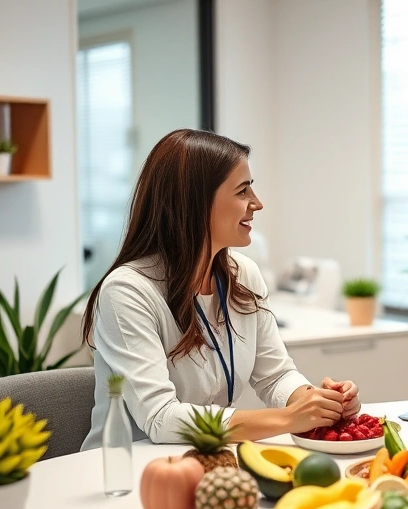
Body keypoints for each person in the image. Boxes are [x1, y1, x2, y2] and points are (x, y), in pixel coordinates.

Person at [80, 129, 359, 449]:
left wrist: (318, 403)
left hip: (208, 458)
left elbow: (275, 376)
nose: (257, 203)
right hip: (126, 472)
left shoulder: (244, 275)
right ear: (196, 204)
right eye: (242, 192)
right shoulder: (127, 292)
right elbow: (160, 419)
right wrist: (289, 419)